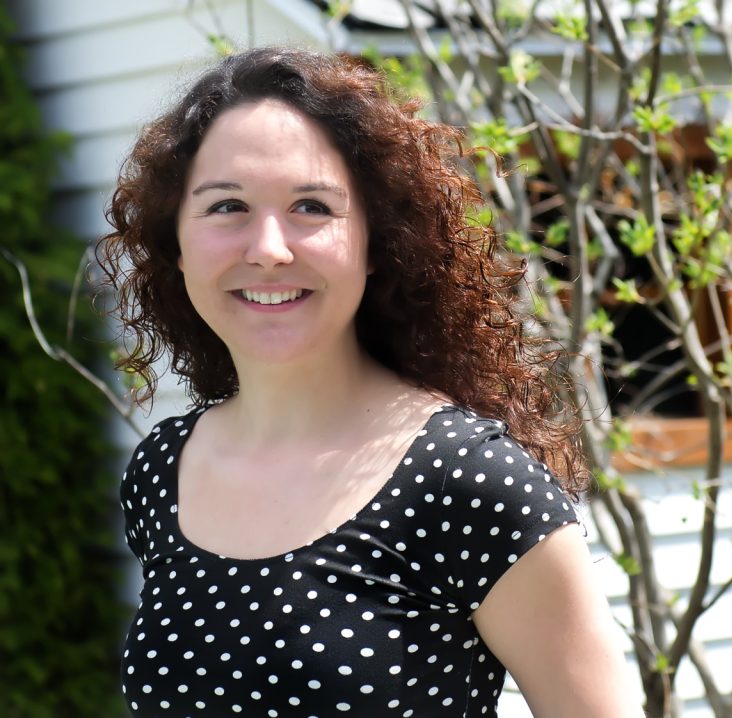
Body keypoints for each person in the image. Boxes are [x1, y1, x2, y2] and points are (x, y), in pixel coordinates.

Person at [98, 46, 643, 718]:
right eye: (227, 206)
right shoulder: (164, 468)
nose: (268, 247)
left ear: (376, 241)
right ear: (177, 245)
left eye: (311, 206)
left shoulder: (467, 479)